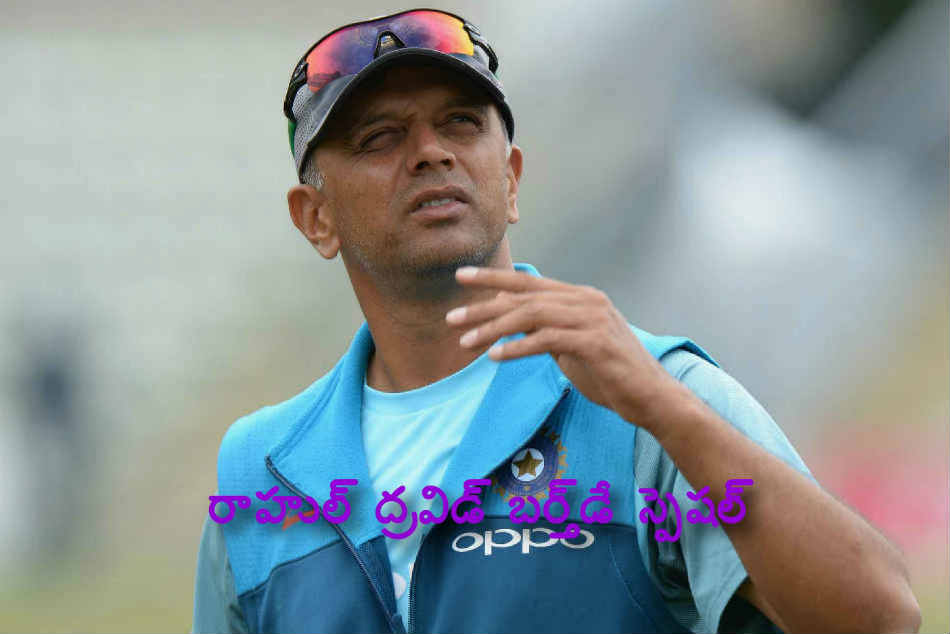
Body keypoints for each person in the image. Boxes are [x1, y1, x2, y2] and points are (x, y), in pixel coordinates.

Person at [192, 9, 920, 634]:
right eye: (379, 137)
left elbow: (880, 617)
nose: (431, 153)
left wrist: (666, 410)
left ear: (510, 180)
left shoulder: (655, 399)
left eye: (460, 123)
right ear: (315, 219)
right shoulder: (261, 467)